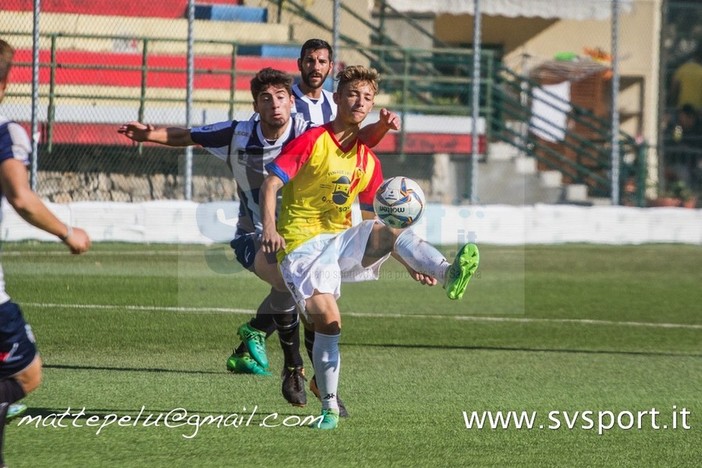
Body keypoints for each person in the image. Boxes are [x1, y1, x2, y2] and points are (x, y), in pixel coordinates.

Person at [117, 67, 398, 411]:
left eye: (281, 98)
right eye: (266, 99)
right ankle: (294, 366)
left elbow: (357, 138)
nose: (274, 105)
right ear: (256, 105)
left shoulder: (308, 133)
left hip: (306, 238)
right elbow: (188, 135)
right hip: (252, 234)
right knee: (289, 280)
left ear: (292, 103)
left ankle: (303, 368)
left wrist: (382, 126)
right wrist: (149, 135)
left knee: (309, 293)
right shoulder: (236, 134)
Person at [259, 65, 479, 430]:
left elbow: (371, 219)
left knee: (392, 223)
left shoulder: (367, 160)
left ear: (372, 104)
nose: (360, 102)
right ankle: (328, 407)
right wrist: (270, 227)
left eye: (367, 97)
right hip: (301, 248)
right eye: (352, 94)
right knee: (329, 321)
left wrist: (409, 262)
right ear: (338, 98)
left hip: (341, 239)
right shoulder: (314, 140)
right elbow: (270, 184)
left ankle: (447, 271)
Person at [0, 38, 91, 467]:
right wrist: (66, 232)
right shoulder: (6, 130)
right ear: (6, 81)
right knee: (26, 374)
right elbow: (21, 196)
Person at [292, 38, 336, 124]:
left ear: (330, 67)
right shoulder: (284, 100)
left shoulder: (335, 103)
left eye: (322, 61)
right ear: (300, 64)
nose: (316, 67)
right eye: (310, 61)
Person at [670, 46, 702, 112]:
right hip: (698, 109)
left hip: (682, 108)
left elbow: (674, 88)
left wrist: (672, 104)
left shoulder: (682, 69)